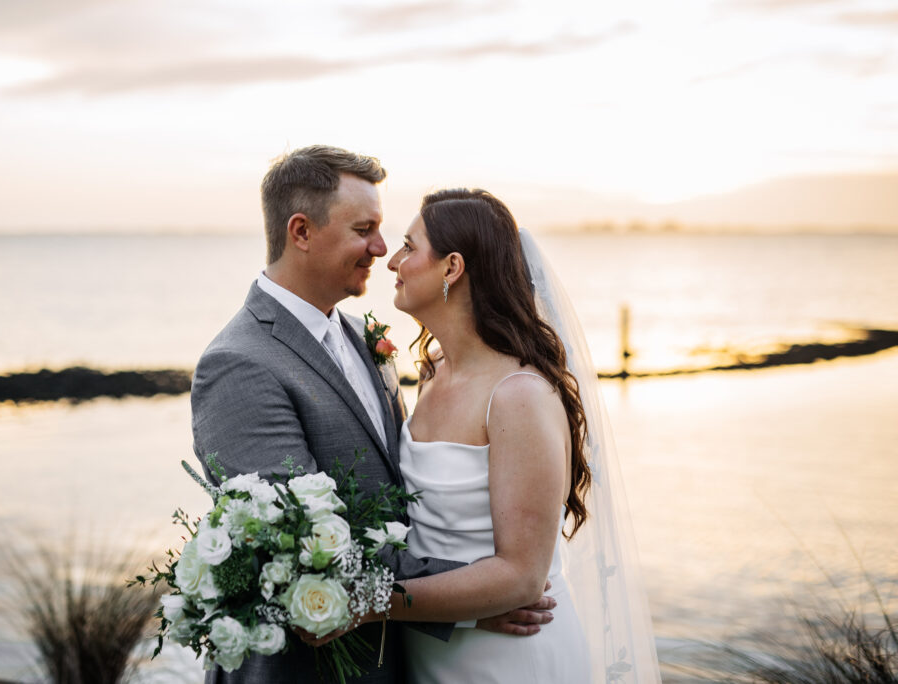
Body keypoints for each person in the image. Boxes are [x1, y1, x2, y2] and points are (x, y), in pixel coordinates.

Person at [190, 149, 554, 684]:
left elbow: (401, 505)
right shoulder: (239, 364)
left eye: (388, 234)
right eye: (366, 229)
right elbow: (300, 553)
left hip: (398, 659)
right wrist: (474, 598)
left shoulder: (364, 338)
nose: (382, 251)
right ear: (301, 232)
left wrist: (486, 590)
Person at [319, 188, 662, 682]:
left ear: (452, 267)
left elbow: (522, 577)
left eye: (409, 247)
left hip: (509, 656)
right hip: (433, 646)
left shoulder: (517, 394)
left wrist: (369, 603)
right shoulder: (433, 370)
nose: (392, 261)